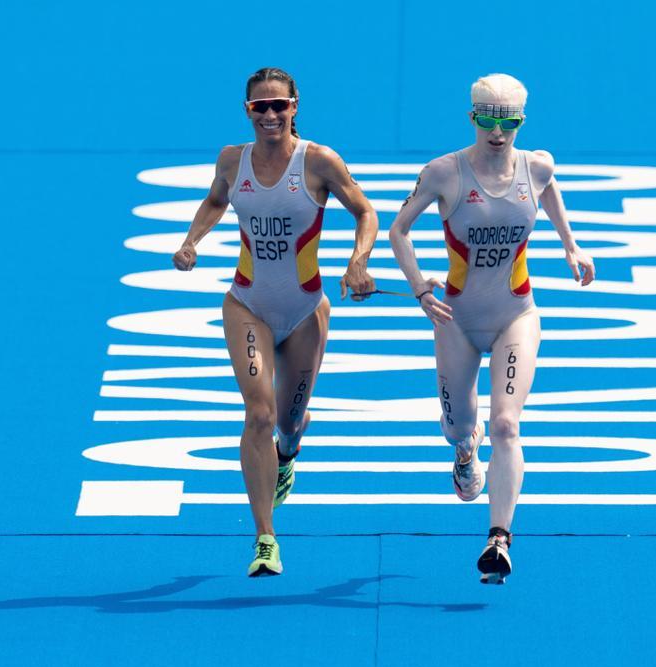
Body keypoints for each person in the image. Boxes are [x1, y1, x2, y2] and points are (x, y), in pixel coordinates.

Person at [388, 73, 595, 583]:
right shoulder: (443, 173)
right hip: (457, 319)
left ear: (521, 121)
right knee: (462, 426)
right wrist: (419, 289)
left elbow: (549, 194)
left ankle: (499, 540)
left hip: (515, 315)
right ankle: (464, 449)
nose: (497, 132)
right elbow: (398, 230)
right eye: (487, 120)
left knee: (507, 423)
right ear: (472, 118)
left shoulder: (537, 166)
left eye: (509, 122)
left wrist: (571, 245)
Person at [173, 67, 377, 577]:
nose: (269, 115)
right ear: (246, 111)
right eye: (258, 108)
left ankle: (289, 450)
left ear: (295, 106)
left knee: (286, 422)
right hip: (248, 304)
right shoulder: (231, 160)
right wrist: (192, 241)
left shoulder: (318, 162)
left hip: (307, 311)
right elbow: (217, 200)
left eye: (278, 105)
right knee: (259, 414)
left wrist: (359, 260)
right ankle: (265, 537)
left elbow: (365, 211)